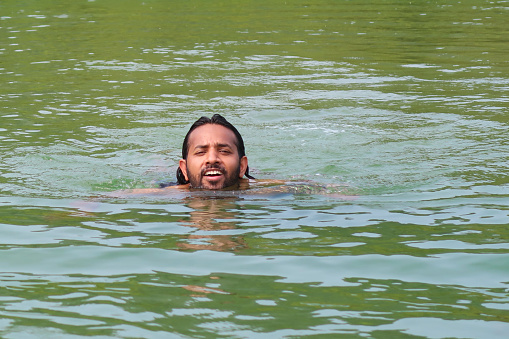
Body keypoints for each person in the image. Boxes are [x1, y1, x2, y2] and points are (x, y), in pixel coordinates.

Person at [175, 114, 255, 190]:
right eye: (200, 152)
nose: (212, 159)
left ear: (242, 166)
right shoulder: (165, 195)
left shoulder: (263, 193)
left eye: (224, 151)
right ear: (184, 169)